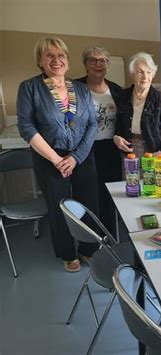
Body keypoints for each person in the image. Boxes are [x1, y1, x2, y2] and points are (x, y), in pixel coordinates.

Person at [16, 37, 99, 272]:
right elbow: (27, 127)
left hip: (81, 155)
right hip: (50, 158)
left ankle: (88, 249)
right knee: (60, 206)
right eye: (49, 55)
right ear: (40, 61)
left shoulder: (81, 89)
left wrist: (75, 157)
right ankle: (67, 253)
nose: (56, 60)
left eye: (61, 55)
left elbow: (92, 123)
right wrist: (56, 159)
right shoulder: (30, 88)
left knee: (88, 204)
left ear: (68, 61)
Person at [76, 45, 122, 233]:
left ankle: (109, 234)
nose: (98, 64)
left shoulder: (117, 90)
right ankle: (89, 238)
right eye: (93, 60)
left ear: (107, 65)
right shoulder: (76, 88)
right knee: (87, 194)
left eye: (102, 60)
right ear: (86, 65)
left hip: (110, 148)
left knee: (109, 194)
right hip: (84, 148)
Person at [114, 52, 161, 158]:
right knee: (131, 176)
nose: (145, 77)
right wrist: (116, 138)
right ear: (132, 74)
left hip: (154, 153)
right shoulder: (123, 96)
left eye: (149, 72)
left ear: (153, 74)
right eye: (140, 72)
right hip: (129, 153)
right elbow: (119, 127)